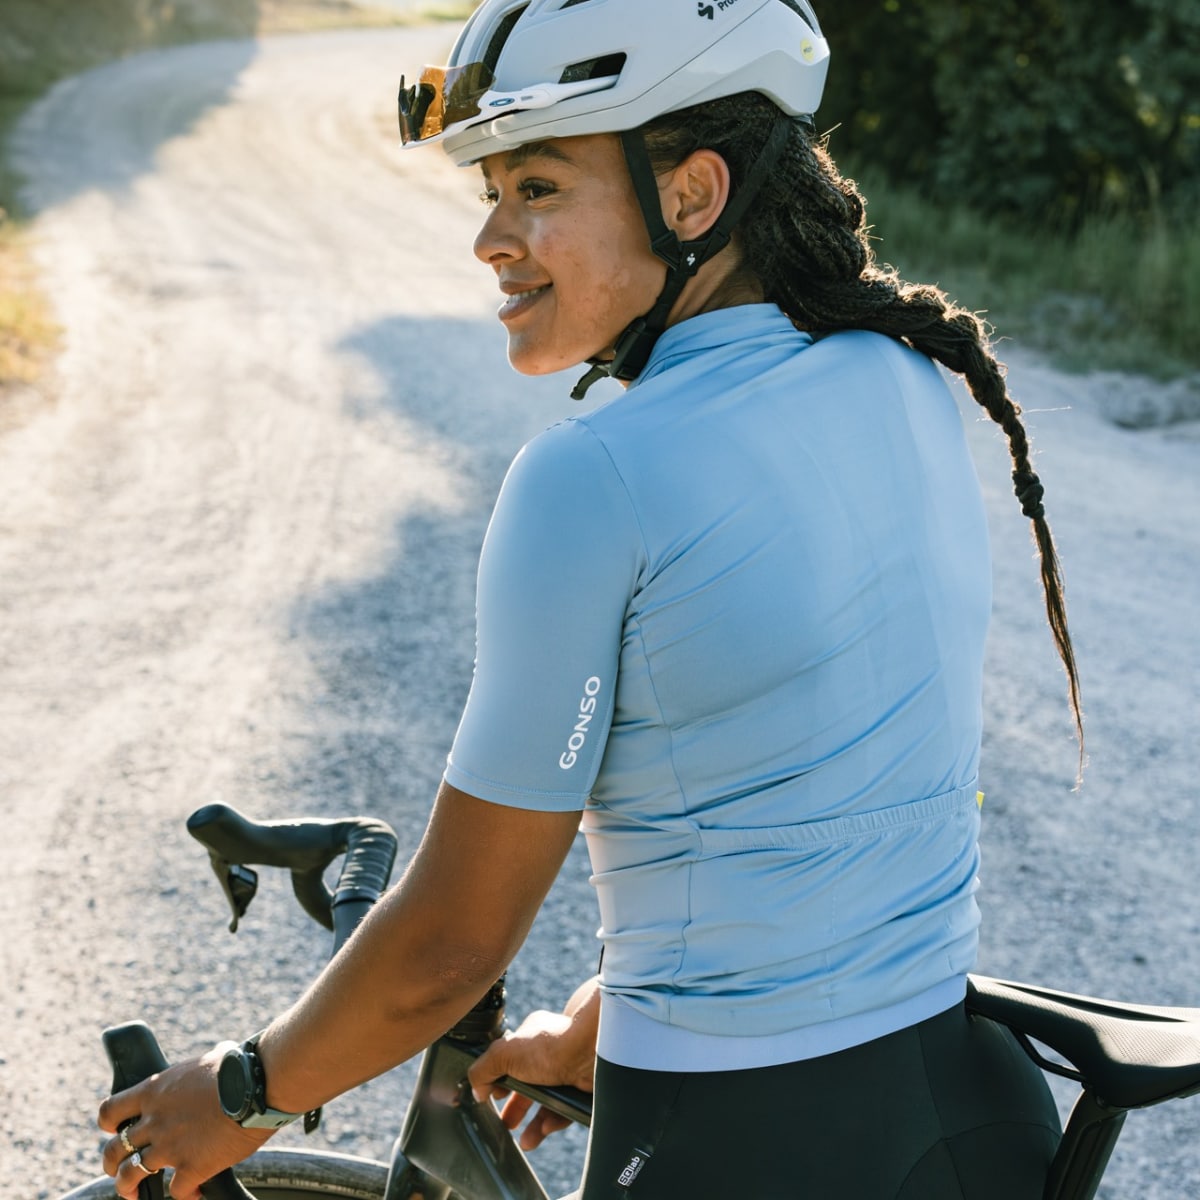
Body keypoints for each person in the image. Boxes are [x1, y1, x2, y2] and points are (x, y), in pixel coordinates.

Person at [99, 1, 1084, 1197]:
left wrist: (242, 1092)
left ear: (693, 195)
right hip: (970, 1113)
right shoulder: (902, 377)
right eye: (490, 193)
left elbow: (454, 943)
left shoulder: (592, 477)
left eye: (540, 188)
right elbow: (805, 784)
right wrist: (607, 1016)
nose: (491, 240)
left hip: (740, 1145)